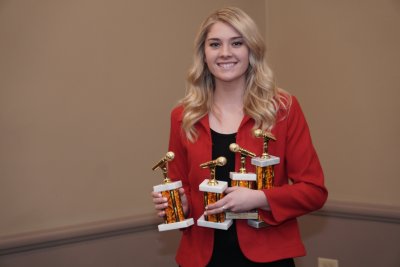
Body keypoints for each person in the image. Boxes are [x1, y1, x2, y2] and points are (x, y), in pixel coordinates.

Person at [151, 6, 327, 267]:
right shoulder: (183, 116)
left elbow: (314, 191)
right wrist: (181, 205)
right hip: (201, 259)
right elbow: (182, 192)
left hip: (268, 259)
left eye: (236, 43)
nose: (225, 53)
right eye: (214, 44)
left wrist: (260, 199)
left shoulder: (283, 109)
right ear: (204, 54)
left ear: (251, 50)